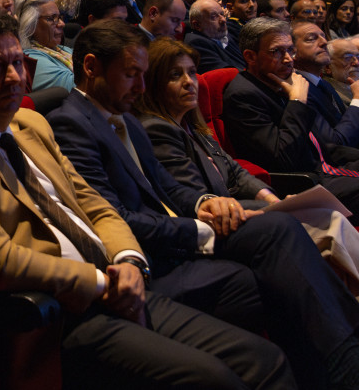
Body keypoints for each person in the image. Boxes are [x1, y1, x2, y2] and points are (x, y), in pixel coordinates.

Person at [0, 9, 294, 389]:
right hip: (62, 312)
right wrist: (99, 281)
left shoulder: (30, 124)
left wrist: (129, 261)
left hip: (119, 282)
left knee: (263, 360)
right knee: (214, 379)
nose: (15, 78)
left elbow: (93, 204)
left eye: (17, 62)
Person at [48, 19, 359, 386]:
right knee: (283, 257)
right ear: (90, 67)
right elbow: (116, 218)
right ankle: (344, 367)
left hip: (178, 236)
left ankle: (338, 365)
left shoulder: (126, 122)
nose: (142, 87)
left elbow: (170, 189)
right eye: (132, 74)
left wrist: (205, 204)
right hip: (153, 260)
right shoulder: (70, 124)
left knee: (282, 248)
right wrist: (199, 227)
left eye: (145, 74)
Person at [137, 37, 359, 293]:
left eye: (192, 73)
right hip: (219, 221)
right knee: (330, 221)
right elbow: (198, 202)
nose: (189, 82)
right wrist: (274, 207)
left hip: (245, 207)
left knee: (330, 218)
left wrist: (271, 199)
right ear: (152, 83)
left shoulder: (192, 126)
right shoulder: (157, 130)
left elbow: (235, 171)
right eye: (176, 75)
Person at [224, 17, 359, 215]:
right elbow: (283, 157)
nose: (288, 59)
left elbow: (324, 146)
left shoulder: (282, 81)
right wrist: (296, 101)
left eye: (290, 50)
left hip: (326, 168)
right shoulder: (243, 95)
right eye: (276, 51)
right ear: (250, 56)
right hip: (301, 183)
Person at [16, 0, 73, 92]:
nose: (62, 24)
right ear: (30, 25)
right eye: (52, 18)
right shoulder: (30, 58)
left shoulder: (61, 49)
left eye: (59, 18)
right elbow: (80, 87)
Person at [185, 0, 246, 71]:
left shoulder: (224, 35)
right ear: (197, 25)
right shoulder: (197, 43)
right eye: (214, 17)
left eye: (222, 14)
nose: (223, 20)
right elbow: (226, 74)